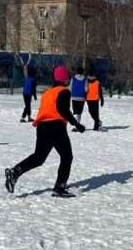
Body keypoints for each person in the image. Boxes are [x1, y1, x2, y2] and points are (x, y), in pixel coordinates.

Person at [5, 65, 86, 197]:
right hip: (56, 127)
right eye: (67, 77)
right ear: (64, 79)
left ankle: (15, 172)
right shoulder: (64, 91)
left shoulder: (48, 92)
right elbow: (63, 110)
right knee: (67, 156)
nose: (68, 79)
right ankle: (59, 187)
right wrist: (76, 124)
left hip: (42, 127)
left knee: (39, 157)